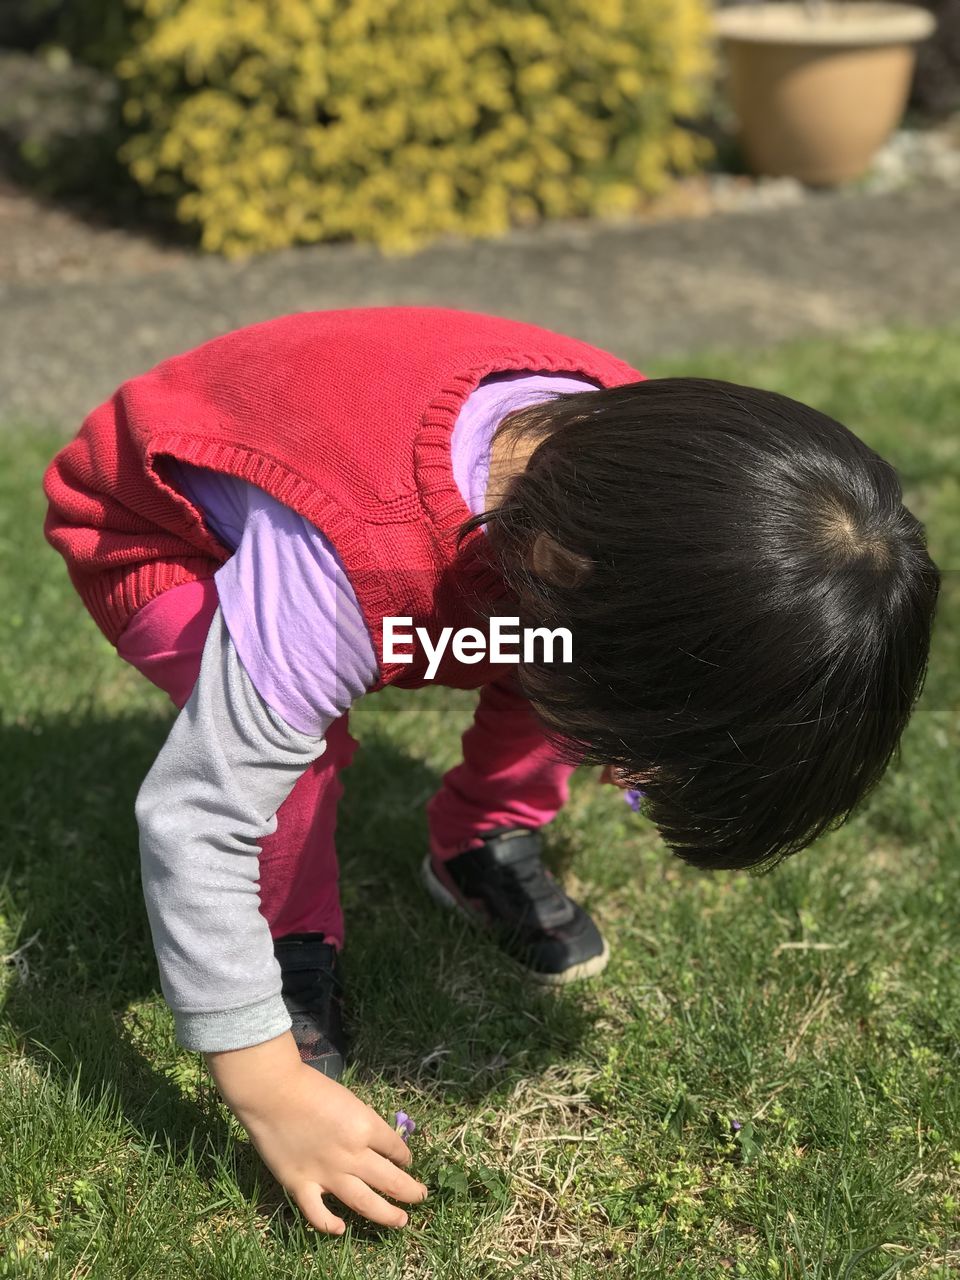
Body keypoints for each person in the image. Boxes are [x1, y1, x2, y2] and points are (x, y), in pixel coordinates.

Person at [42, 306, 940, 1236]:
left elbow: (580, 639)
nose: (624, 770)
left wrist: (632, 707)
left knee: (562, 664)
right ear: (556, 564)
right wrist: (266, 1086)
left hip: (469, 560)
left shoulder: (644, 495)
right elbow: (198, 816)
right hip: (164, 529)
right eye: (638, 752)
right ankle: (291, 936)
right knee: (299, 749)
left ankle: (476, 836)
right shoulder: (342, 570)